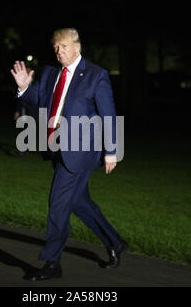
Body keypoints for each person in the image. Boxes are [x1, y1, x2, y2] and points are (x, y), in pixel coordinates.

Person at [10, 28, 127, 281]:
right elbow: (37, 97)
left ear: (77, 47)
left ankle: (52, 263)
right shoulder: (51, 72)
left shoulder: (96, 75)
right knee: (78, 202)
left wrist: (112, 151)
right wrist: (23, 88)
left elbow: (109, 115)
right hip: (57, 147)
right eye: (55, 47)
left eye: (62, 46)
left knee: (59, 203)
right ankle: (115, 242)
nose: (58, 51)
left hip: (83, 150)